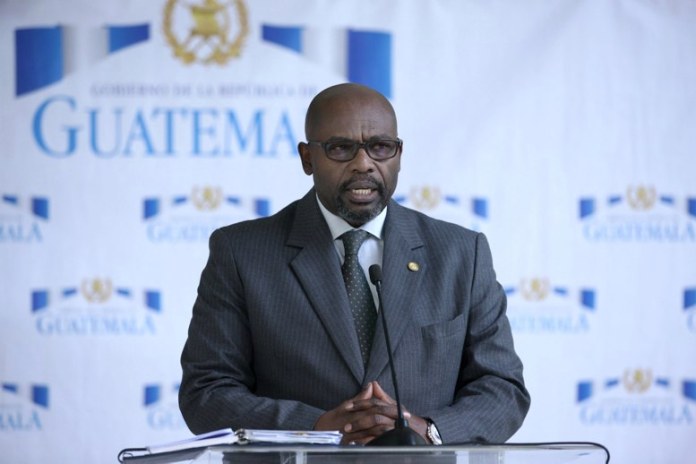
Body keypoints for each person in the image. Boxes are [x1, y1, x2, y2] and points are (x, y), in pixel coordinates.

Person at [179, 83, 530, 445]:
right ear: (307, 158)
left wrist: (429, 431)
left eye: (381, 147)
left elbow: (502, 388)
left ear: (398, 155)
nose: (364, 164)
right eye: (340, 148)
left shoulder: (462, 253)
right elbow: (206, 392)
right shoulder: (241, 252)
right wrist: (314, 428)